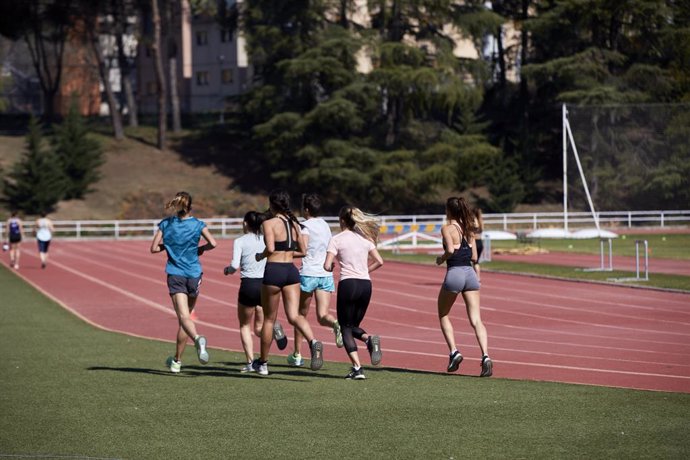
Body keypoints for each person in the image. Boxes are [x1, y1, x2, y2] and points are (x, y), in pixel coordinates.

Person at [252, 189, 323, 376]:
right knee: (295, 315)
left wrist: (260, 256)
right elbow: (304, 251)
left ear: (272, 204)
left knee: (269, 319)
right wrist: (289, 253)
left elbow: (270, 247)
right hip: (291, 271)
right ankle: (313, 341)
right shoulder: (295, 224)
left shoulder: (269, 223)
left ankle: (263, 363)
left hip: (274, 270)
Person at [150, 191, 217, 374]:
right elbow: (213, 243)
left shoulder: (166, 224)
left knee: (184, 319)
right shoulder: (197, 224)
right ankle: (177, 361)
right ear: (191, 206)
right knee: (186, 319)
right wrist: (201, 249)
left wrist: (167, 246)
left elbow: (154, 248)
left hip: (176, 274)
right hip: (194, 274)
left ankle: (197, 339)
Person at [324, 206, 384, 380]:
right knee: (351, 326)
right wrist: (365, 270)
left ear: (342, 220)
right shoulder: (365, 239)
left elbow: (327, 266)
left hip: (348, 284)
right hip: (366, 285)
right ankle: (368, 339)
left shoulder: (336, 239)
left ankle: (357, 368)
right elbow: (379, 261)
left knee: (345, 328)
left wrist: (331, 266)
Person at [224, 211, 288, 373]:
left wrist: (227, 270)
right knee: (261, 327)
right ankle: (275, 331)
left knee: (245, 325)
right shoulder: (267, 239)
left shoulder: (240, 241)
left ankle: (251, 362)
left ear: (246, 223)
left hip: (248, 285)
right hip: (266, 284)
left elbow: (234, 265)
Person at [435, 197, 492, 377]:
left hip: (455, 272)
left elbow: (450, 250)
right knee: (476, 320)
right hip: (470, 274)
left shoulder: (446, 228)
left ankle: (454, 352)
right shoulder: (469, 228)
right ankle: (485, 356)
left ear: (448, 211)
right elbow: (475, 256)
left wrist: (441, 259)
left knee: (443, 314)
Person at [288, 193, 342, 367]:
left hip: (308, 273)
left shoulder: (305, 226)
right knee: (322, 315)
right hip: (325, 274)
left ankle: (297, 354)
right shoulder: (326, 225)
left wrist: (285, 253)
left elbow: (302, 248)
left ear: (306, 209)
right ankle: (335, 323)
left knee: (300, 316)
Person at [472, 207, 484, 280]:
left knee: (473, 261)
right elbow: (481, 230)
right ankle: (477, 277)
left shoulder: (475, 220)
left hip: (475, 242)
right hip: (480, 242)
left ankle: (476, 277)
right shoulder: (481, 221)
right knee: (476, 262)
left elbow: (475, 228)